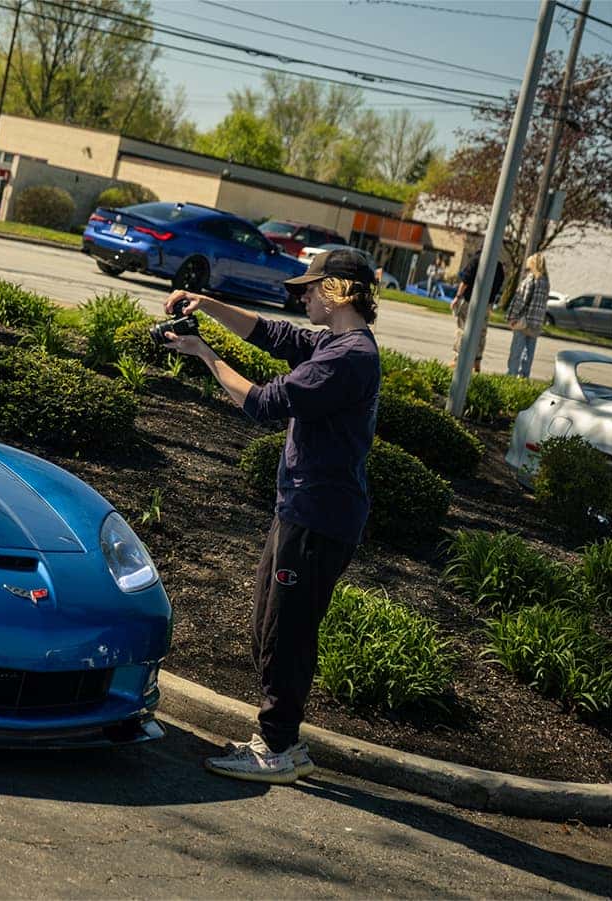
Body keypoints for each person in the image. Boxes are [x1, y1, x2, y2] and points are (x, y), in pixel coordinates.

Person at [160, 249, 381, 784]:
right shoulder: (334, 342)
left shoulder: (348, 357)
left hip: (319, 515)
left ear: (336, 291)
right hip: (301, 509)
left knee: (287, 632)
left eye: (309, 288)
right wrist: (207, 304)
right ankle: (282, 743)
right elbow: (273, 336)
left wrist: (203, 354)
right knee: (269, 624)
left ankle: (278, 747)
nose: (300, 296)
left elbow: (262, 402)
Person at [451, 250, 505, 373]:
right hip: (486, 303)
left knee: (462, 329)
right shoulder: (498, 265)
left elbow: (466, 280)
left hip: (469, 300)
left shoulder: (475, 260)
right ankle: (477, 362)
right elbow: (498, 286)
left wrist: (457, 297)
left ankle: (457, 359)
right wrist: (490, 302)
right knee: (481, 332)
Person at [505, 252, 551, 379]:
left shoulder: (531, 280)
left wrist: (512, 317)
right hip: (537, 322)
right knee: (528, 353)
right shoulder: (545, 282)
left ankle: (511, 376)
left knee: (516, 352)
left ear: (533, 264)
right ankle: (524, 377)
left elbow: (521, 301)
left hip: (524, 322)